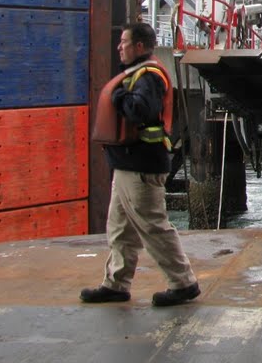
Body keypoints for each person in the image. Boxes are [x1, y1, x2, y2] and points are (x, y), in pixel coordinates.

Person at [80, 22, 201, 307]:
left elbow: (141, 110)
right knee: (120, 228)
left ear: (139, 46)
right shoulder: (138, 74)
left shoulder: (148, 76)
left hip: (142, 168)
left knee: (154, 226)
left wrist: (118, 95)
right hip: (127, 166)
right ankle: (116, 284)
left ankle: (183, 283)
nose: (119, 47)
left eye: (123, 42)